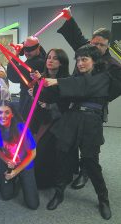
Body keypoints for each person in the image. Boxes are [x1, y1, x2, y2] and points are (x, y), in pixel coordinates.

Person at [40, 44, 112, 220]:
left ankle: (103, 199)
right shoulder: (74, 78)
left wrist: (58, 81)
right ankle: (59, 192)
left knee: (91, 162)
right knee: (61, 156)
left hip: (91, 122)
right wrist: (43, 83)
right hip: (72, 119)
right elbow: (64, 95)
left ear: (95, 61)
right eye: (78, 60)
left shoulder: (102, 77)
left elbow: (84, 86)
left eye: (84, 59)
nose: (80, 63)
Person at [58, 7, 121, 189]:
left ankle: (86, 172)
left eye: (101, 44)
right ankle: (75, 167)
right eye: (94, 43)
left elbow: (112, 91)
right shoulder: (86, 51)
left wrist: (95, 94)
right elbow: (76, 36)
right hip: (74, 106)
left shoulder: (113, 65)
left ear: (108, 45)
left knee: (90, 145)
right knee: (72, 138)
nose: (96, 47)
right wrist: (69, 18)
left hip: (95, 108)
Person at [29, 49, 70, 189]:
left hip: (56, 123)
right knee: (32, 148)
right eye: (49, 57)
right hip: (38, 119)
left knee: (46, 151)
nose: (50, 60)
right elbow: (37, 97)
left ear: (62, 63)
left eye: (55, 58)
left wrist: (49, 106)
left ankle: (47, 182)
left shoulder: (65, 81)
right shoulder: (42, 78)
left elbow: (65, 104)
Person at [0, 100, 39, 209]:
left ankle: (19, 178)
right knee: (6, 196)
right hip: (7, 162)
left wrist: (16, 172)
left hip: (24, 163)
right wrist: (6, 161)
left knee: (33, 205)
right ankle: (15, 179)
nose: (2, 116)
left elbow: (32, 153)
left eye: (7, 112)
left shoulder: (22, 129)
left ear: (12, 114)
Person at [7, 36, 46, 121]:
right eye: (25, 49)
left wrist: (17, 52)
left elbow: (12, 74)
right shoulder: (43, 56)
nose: (27, 53)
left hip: (31, 104)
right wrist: (22, 47)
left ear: (38, 48)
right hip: (33, 101)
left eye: (31, 49)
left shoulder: (37, 63)